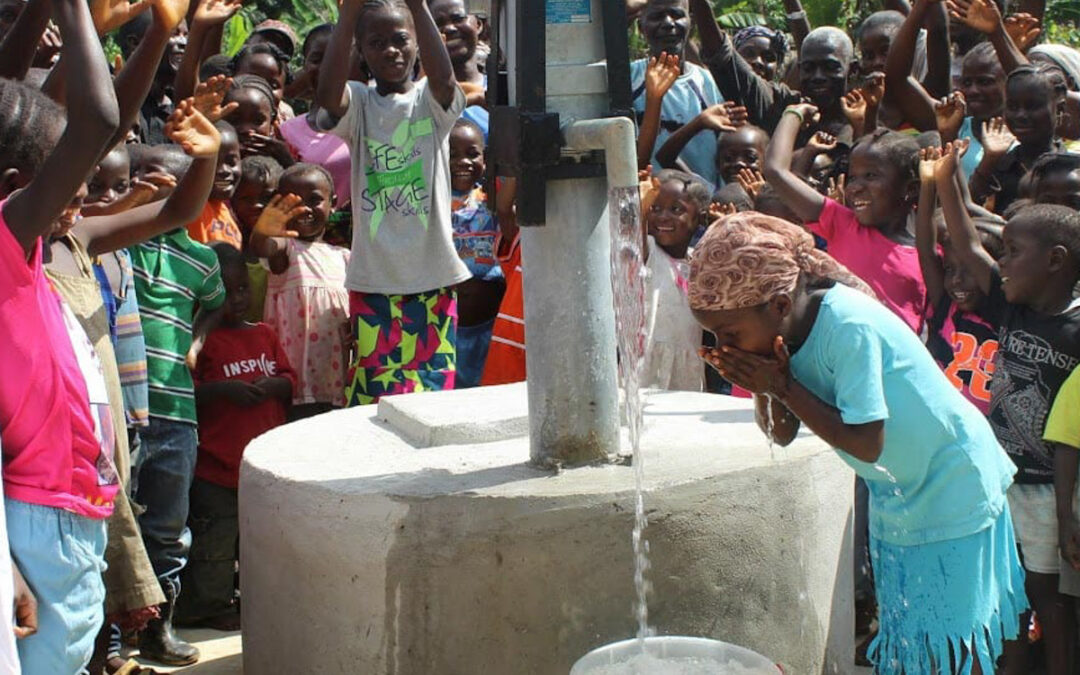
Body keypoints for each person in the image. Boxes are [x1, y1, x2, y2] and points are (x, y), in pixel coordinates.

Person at [691, 212, 1025, 675]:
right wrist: (768, 383)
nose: (722, 344)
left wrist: (782, 386)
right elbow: (782, 434)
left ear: (779, 305)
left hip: (953, 483)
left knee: (952, 640)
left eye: (729, 334)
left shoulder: (848, 327)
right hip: (901, 493)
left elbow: (867, 443)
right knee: (910, 631)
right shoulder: (782, 338)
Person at [0, 0, 124, 669]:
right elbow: (98, 122)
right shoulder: (6, 235)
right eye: (60, 176)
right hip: (46, 512)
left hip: (47, 509)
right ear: (21, 187)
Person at [936, 142, 1080, 675]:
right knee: (1009, 601)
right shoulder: (1011, 305)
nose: (999, 266)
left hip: (1053, 489)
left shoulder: (1075, 327)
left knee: (1054, 604)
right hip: (1003, 480)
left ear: (1055, 261)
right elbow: (970, 247)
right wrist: (949, 174)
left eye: (1013, 253)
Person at [318, 0, 470, 405]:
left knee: (433, 399)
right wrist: (347, 15)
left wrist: (419, 7)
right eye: (376, 43)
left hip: (433, 280)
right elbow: (328, 98)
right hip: (374, 283)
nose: (391, 50)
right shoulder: (360, 104)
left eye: (401, 39)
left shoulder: (430, 103)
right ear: (361, 52)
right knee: (374, 399)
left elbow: (444, 79)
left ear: (418, 43)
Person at [175, 243, 294, 630]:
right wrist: (225, 390)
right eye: (225, 291)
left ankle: (249, 595)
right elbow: (188, 393)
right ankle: (208, 605)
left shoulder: (264, 334)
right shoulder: (199, 342)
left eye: (242, 288)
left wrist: (276, 384)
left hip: (262, 465)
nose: (236, 298)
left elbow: (290, 379)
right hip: (216, 467)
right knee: (216, 543)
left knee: (259, 540)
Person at [764, 102, 928, 334]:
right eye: (852, 178)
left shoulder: (930, 254)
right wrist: (793, 113)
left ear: (910, 188)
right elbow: (775, 171)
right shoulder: (841, 224)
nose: (855, 188)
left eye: (870, 176)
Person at [251, 164, 351, 418]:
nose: (305, 208)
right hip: (294, 382)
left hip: (336, 379)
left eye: (315, 200)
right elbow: (263, 247)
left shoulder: (344, 257)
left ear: (333, 203)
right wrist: (263, 230)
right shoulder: (286, 249)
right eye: (293, 202)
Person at [915, 144, 1002, 414]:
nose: (956, 281)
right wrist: (929, 184)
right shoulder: (945, 306)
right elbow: (927, 251)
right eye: (950, 269)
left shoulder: (1003, 310)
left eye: (969, 271)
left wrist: (945, 180)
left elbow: (970, 248)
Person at [631, 0, 725, 185]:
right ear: (641, 27)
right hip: (648, 205)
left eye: (676, 15)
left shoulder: (708, 82)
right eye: (657, 16)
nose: (668, 23)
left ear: (691, 23)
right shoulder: (628, 80)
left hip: (701, 206)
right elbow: (634, 161)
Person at [640, 169, 709, 391]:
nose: (663, 217)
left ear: (699, 217)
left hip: (688, 369)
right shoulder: (649, 252)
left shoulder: (697, 261)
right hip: (649, 368)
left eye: (676, 209)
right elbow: (631, 235)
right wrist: (640, 209)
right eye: (655, 208)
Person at [970, 63, 1068, 215]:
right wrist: (989, 161)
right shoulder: (999, 166)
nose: (1020, 115)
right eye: (1013, 107)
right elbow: (965, 208)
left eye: (1033, 106)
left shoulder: (1071, 170)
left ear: (1059, 109)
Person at [449, 119, 503, 387]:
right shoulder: (432, 202)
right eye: (452, 154)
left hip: (488, 325)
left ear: (486, 156)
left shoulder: (491, 200)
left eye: (472, 154)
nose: (463, 162)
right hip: (446, 328)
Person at [279, 24, 353, 209]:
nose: (326, 67)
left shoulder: (372, 120)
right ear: (304, 64)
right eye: (317, 59)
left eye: (337, 58)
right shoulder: (286, 131)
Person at [231, 154, 283, 323]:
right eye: (246, 199)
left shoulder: (286, 245)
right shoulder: (230, 243)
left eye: (266, 197)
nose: (256, 205)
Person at [186, 120, 243, 249]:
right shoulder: (191, 207)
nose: (224, 170)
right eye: (213, 162)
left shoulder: (227, 213)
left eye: (231, 162)